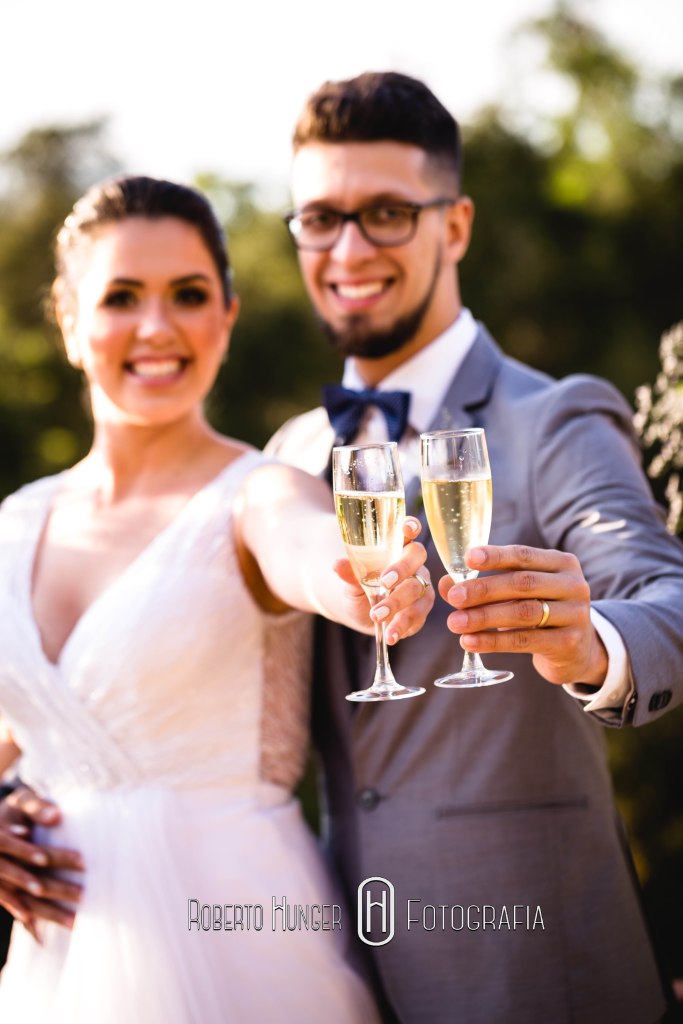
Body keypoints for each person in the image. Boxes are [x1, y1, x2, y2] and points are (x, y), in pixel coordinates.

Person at [264, 72, 683, 1023]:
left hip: (536, 967)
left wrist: (592, 644)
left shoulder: (553, 415)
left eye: (384, 214)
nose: (347, 249)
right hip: (336, 966)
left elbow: (666, 595)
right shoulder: (287, 456)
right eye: (319, 219)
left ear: (453, 227)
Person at [0, 173, 434, 1023]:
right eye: (122, 296)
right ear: (68, 318)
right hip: (58, 967)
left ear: (225, 317)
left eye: (188, 295)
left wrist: (359, 578)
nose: (157, 327)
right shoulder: (14, 524)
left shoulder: (260, 493)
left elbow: (310, 549)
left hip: (242, 946)